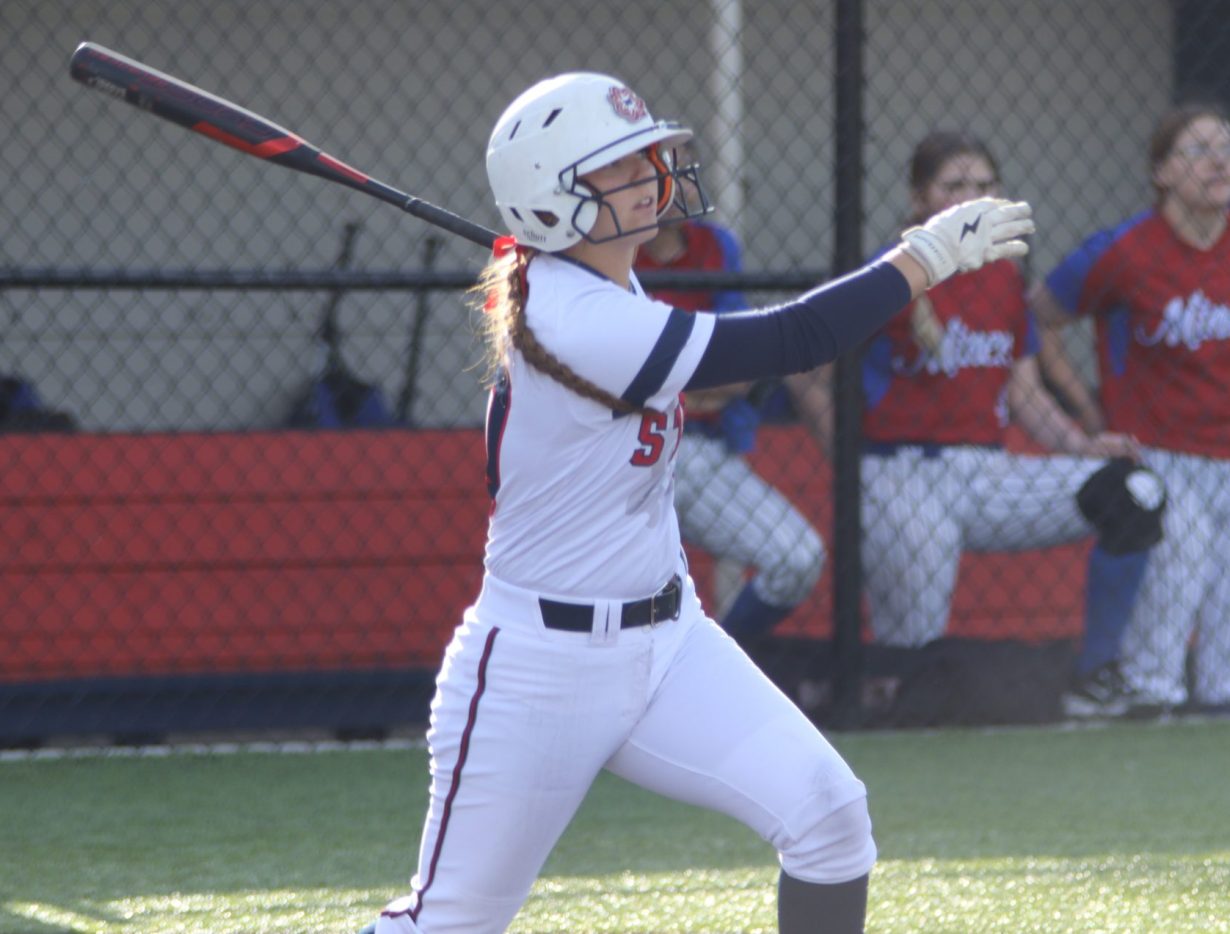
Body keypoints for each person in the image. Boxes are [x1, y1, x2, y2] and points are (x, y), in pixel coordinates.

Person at [360, 73, 1033, 934]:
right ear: (551, 199)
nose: (650, 175)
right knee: (450, 921)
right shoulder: (577, 318)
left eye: (646, 156)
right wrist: (924, 257)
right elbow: (791, 340)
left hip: (669, 641)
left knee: (831, 820)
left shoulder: (606, 288)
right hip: (538, 665)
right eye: (619, 166)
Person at [786, 130, 1165, 699]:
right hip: (900, 471)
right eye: (954, 185)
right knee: (912, 665)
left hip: (989, 473)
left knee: (1131, 491)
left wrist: (1080, 446)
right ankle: (884, 700)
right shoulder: (889, 271)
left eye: (985, 185)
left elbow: (1025, 394)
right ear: (920, 198)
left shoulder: (1005, 275)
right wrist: (848, 462)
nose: (971, 197)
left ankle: (1095, 678)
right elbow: (804, 371)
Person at [1030, 101, 1230, 717]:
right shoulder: (1124, 251)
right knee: (1184, 553)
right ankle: (1146, 694)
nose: (1219, 161)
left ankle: (1216, 700)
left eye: (1225, 147)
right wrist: (1087, 409)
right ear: (1161, 172)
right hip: (1158, 451)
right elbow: (1038, 317)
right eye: (1198, 150)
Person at [635, 142, 824, 646]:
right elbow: (609, 381)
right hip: (620, 455)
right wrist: (689, 384)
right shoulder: (609, 255)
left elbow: (738, 370)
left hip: (700, 450)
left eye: (685, 170)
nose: (682, 182)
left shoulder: (715, 245)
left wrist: (669, 386)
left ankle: (719, 658)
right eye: (666, 171)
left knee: (798, 556)